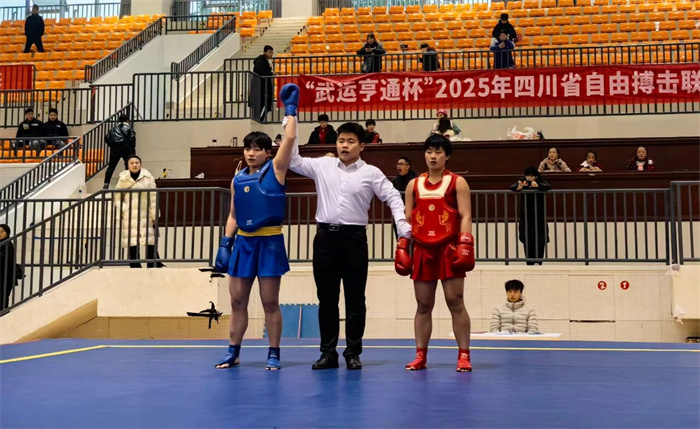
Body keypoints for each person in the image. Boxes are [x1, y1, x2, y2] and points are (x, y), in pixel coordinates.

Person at [289, 121, 411, 371]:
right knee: (327, 299)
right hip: (325, 239)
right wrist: (290, 122)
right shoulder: (322, 166)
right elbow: (292, 160)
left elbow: (393, 197)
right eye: (341, 141)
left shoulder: (371, 173)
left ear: (362, 146)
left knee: (355, 299)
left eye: (351, 141)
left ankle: (353, 353)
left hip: (354, 240)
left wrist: (401, 224)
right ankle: (328, 353)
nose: (344, 146)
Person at [214, 84, 299, 371]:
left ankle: (274, 352)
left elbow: (290, 138)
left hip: (269, 243)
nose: (251, 153)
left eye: (257, 149)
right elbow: (233, 214)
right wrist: (225, 243)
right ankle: (233, 351)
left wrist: (290, 111)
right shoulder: (237, 178)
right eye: (248, 148)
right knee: (237, 301)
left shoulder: (276, 169)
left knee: (269, 301)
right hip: (243, 243)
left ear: (267, 152)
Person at [396, 135, 475, 372]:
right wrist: (403, 246)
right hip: (422, 249)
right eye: (429, 151)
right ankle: (420, 355)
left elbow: (465, 215)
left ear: (447, 156)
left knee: (455, 301)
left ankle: (464, 355)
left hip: (449, 248)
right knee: (423, 305)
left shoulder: (458, 182)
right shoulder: (413, 185)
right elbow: (407, 219)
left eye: (438, 152)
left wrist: (465, 244)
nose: (433, 156)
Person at [113, 155, 164, 269]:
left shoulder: (148, 177)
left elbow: (153, 197)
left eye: (137, 163)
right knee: (132, 240)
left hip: (145, 212)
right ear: (128, 165)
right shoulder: (123, 178)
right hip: (130, 214)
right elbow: (117, 197)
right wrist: (124, 208)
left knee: (150, 239)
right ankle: (135, 264)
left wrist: (154, 214)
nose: (134, 165)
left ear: (140, 164)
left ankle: (152, 263)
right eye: (132, 163)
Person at [510, 167, 552, 265]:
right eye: (528, 176)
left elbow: (548, 186)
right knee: (527, 241)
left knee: (540, 242)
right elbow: (512, 186)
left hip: (539, 217)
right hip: (526, 217)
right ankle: (529, 262)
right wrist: (518, 187)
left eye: (532, 176)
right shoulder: (523, 181)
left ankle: (539, 261)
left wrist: (538, 185)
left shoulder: (540, 181)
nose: (530, 178)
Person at [104, 114, 136, 189]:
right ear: (127, 120)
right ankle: (127, 183)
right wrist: (132, 149)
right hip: (126, 148)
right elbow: (132, 138)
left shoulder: (113, 129)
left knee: (111, 166)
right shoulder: (129, 128)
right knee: (128, 166)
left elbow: (107, 138)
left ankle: (106, 183)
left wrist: (112, 145)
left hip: (115, 149)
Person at [250, 45, 274, 123]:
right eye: (269, 52)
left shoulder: (264, 61)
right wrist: (271, 73)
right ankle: (260, 119)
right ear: (265, 52)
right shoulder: (260, 62)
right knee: (262, 103)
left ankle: (260, 119)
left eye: (272, 52)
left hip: (264, 85)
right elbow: (261, 72)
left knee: (265, 103)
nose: (271, 54)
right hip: (261, 86)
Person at [0, 224, 17, 311]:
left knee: (3, 297)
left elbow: (8, 259)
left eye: (2, 231)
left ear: (7, 233)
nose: (0, 233)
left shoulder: (8, 244)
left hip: (5, 277)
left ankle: (3, 313)